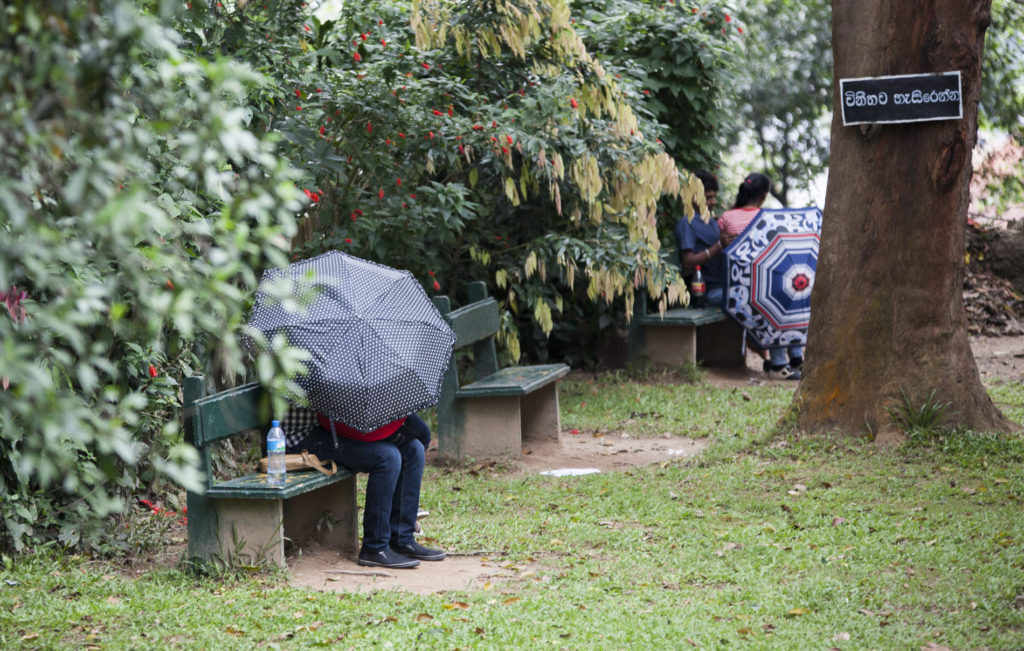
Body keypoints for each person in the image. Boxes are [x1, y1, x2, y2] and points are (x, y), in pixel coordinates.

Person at [284, 409, 446, 569]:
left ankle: (401, 538)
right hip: (304, 437)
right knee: (387, 457)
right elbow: (344, 412)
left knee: (413, 449)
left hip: (333, 425)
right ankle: (375, 547)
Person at [719, 172, 803, 381]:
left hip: (735, 284)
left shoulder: (726, 217)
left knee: (775, 295)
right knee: (783, 296)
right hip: (757, 287)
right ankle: (786, 362)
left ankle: (790, 361)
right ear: (764, 196)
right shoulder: (767, 220)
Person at [674, 170, 731, 307]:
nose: (714, 202)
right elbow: (688, 262)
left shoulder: (711, 222)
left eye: (714, 197)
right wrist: (719, 246)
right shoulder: (687, 223)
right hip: (706, 293)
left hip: (722, 286)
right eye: (709, 197)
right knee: (744, 298)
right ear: (694, 197)